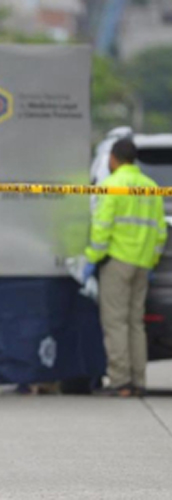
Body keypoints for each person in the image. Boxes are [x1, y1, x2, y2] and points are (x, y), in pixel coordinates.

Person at [84, 138, 167, 397]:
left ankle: (121, 382)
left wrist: (92, 257)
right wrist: (151, 260)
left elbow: (102, 227)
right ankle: (139, 380)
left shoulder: (112, 185)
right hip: (143, 264)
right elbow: (160, 230)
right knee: (135, 324)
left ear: (113, 159)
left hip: (117, 262)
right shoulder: (152, 187)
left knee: (116, 322)